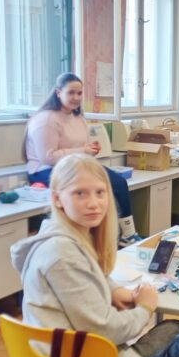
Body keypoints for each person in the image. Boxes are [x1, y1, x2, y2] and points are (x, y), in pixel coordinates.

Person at [11, 154, 179, 357]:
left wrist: (113, 290)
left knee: (177, 336)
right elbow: (105, 330)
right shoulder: (62, 254)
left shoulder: (59, 239)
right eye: (80, 193)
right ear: (57, 198)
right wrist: (145, 308)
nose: (93, 203)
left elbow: (86, 277)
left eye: (100, 192)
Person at [24, 72, 142, 246]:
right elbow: (48, 157)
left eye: (79, 93)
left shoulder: (77, 117)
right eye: (71, 92)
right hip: (45, 171)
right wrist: (83, 151)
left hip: (73, 166)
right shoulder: (45, 119)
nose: (76, 97)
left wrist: (90, 149)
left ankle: (127, 233)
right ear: (58, 92)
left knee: (117, 182)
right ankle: (93, 239)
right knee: (88, 188)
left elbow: (81, 147)